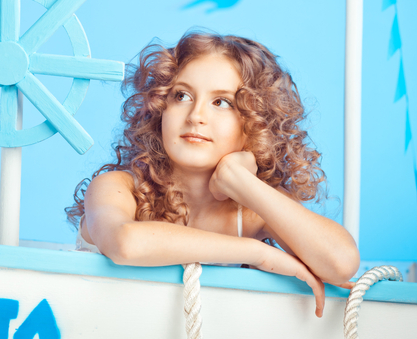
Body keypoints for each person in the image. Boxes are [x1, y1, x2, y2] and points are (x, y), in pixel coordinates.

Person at [66, 31, 360, 317]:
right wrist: (258, 253)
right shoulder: (117, 188)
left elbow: (342, 263)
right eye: (182, 95)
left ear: (255, 124)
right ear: (159, 109)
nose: (196, 116)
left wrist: (242, 182)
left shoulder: (250, 212)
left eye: (221, 102)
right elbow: (126, 243)